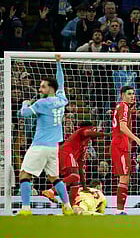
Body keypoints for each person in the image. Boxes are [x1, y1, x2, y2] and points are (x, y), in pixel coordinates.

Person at [17, 54, 73, 216]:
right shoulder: (62, 100)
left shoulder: (42, 103)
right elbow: (60, 81)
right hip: (53, 147)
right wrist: (58, 63)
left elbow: (24, 114)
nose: (40, 89)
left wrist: (24, 103)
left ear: (50, 88)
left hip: (40, 145)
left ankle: (26, 209)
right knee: (54, 177)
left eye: (43, 87)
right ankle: (67, 207)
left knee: (24, 174)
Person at [42, 121, 107, 205]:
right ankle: (51, 191)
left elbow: (80, 168)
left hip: (64, 156)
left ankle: (71, 207)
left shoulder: (84, 147)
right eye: (92, 129)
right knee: (75, 176)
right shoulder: (81, 131)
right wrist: (107, 134)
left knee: (75, 183)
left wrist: (84, 187)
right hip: (65, 153)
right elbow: (87, 132)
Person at [110, 86, 140, 215]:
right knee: (124, 177)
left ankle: (120, 210)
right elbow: (122, 127)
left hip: (121, 145)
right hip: (120, 145)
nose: (133, 96)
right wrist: (137, 140)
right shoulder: (124, 106)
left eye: (134, 94)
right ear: (122, 95)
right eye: (129, 94)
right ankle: (120, 210)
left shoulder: (124, 107)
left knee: (125, 177)